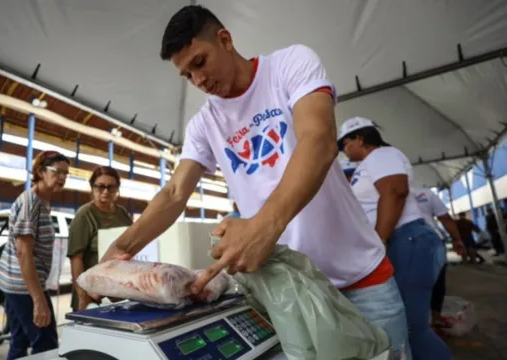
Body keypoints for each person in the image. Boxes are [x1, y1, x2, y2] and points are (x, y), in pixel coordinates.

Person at [97, 5, 410, 359]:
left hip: (361, 281)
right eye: (187, 75)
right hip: (291, 292)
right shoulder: (205, 123)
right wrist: (121, 250)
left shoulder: (289, 65)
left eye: (200, 63)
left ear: (225, 39)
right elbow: (174, 193)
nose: (198, 81)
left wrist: (263, 227)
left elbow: (318, 140)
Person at [339, 116, 452, 360]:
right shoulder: (367, 165)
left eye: (345, 143)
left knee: (412, 328)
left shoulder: (381, 155)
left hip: (407, 238)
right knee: (408, 327)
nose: (344, 150)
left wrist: (380, 240)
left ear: (359, 138)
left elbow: (394, 191)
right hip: (402, 239)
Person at [0, 151, 69, 360]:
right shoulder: (30, 203)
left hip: (18, 285)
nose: (62, 177)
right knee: (46, 343)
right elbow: (23, 252)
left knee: (20, 341)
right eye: (58, 171)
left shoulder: (41, 201)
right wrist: (38, 299)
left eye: (66, 173)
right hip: (23, 286)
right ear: (41, 171)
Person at [67, 166, 132, 311]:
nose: (106, 191)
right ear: (92, 188)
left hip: (118, 291)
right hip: (91, 293)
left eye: (111, 187)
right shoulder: (84, 215)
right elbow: (76, 258)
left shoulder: (122, 213)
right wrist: (83, 296)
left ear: (117, 189)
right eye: (100, 187)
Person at [412, 188, 466, 330]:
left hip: (406, 243)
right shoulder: (425, 193)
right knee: (437, 281)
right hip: (432, 240)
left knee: (412, 283)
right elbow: (446, 218)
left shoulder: (384, 192)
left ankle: (419, 321)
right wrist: (457, 240)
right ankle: (436, 317)